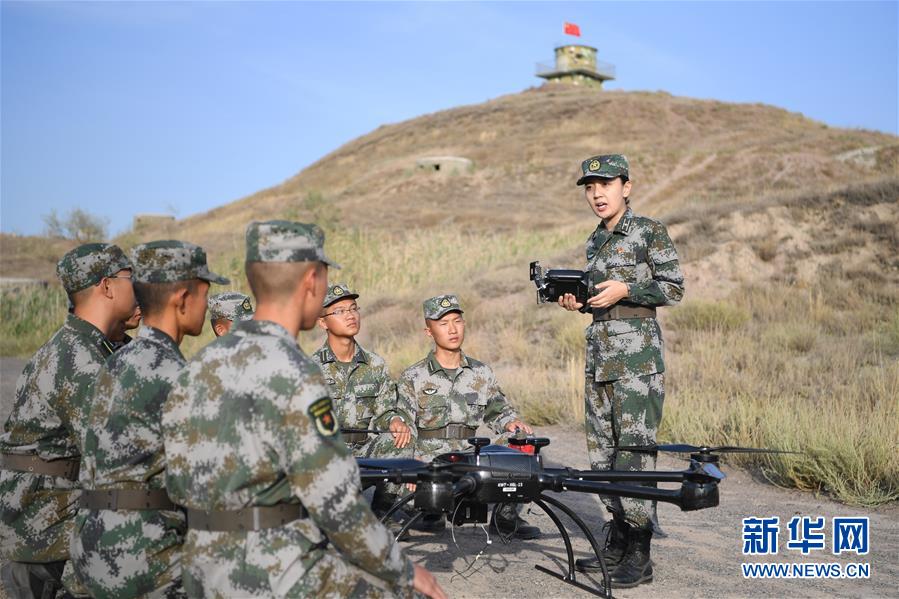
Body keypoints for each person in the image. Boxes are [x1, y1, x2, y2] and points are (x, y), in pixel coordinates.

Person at [161, 221, 445, 598]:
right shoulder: (295, 372)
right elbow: (336, 501)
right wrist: (402, 569)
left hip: (201, 568)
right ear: (312, 279)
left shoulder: (197, 367)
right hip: (271, 569)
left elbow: (179, 481)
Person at [70, 240, 229, 598]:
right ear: (182, 299)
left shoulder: (116, 361)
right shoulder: (176, 375)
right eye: (205, 294)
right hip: (144, 555)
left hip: (91, 544)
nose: (207, 305)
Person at [558, 154, 684, 588]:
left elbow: (673, 288)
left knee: (634, 452)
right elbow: (602, 301)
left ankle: (640, 552)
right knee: (602, 453)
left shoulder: (648, 231)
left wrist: (627, 287)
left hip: (636, 362)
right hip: (600, 355)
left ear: (626, 187)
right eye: (590, 187)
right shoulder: (595, 240)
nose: (597, 194)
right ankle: (618, 540)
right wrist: (580, 302)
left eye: (606, 185)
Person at [0, 243, 134, 599]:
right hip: (46, 532)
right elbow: (122, 454)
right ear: (107, 286)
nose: (139, 287)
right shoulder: (79, 360)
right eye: (130, 277)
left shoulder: (86, 346)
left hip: (48, 519)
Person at [397, 294, 540, 539]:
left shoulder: (481, 372)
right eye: (443, 324)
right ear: (429, 331)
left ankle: (505, 517)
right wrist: (411, 462)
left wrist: (511, 422)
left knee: (522, 439)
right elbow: (403, 423)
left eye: (457, 321)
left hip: (470, 454)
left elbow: (499, 410)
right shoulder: (413, 376)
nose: (452, 329)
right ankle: (427, 513)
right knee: (398, 462)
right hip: (429, 459)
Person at [312, 283, 412, 458]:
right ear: (322, 322)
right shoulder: (311, 368)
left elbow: (385, 412)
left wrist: (395, 420)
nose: (350, 316)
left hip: (365, 450)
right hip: (326, 451)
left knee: (401, 440)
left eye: (353, 309)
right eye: (339, 311)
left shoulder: (375, 364)